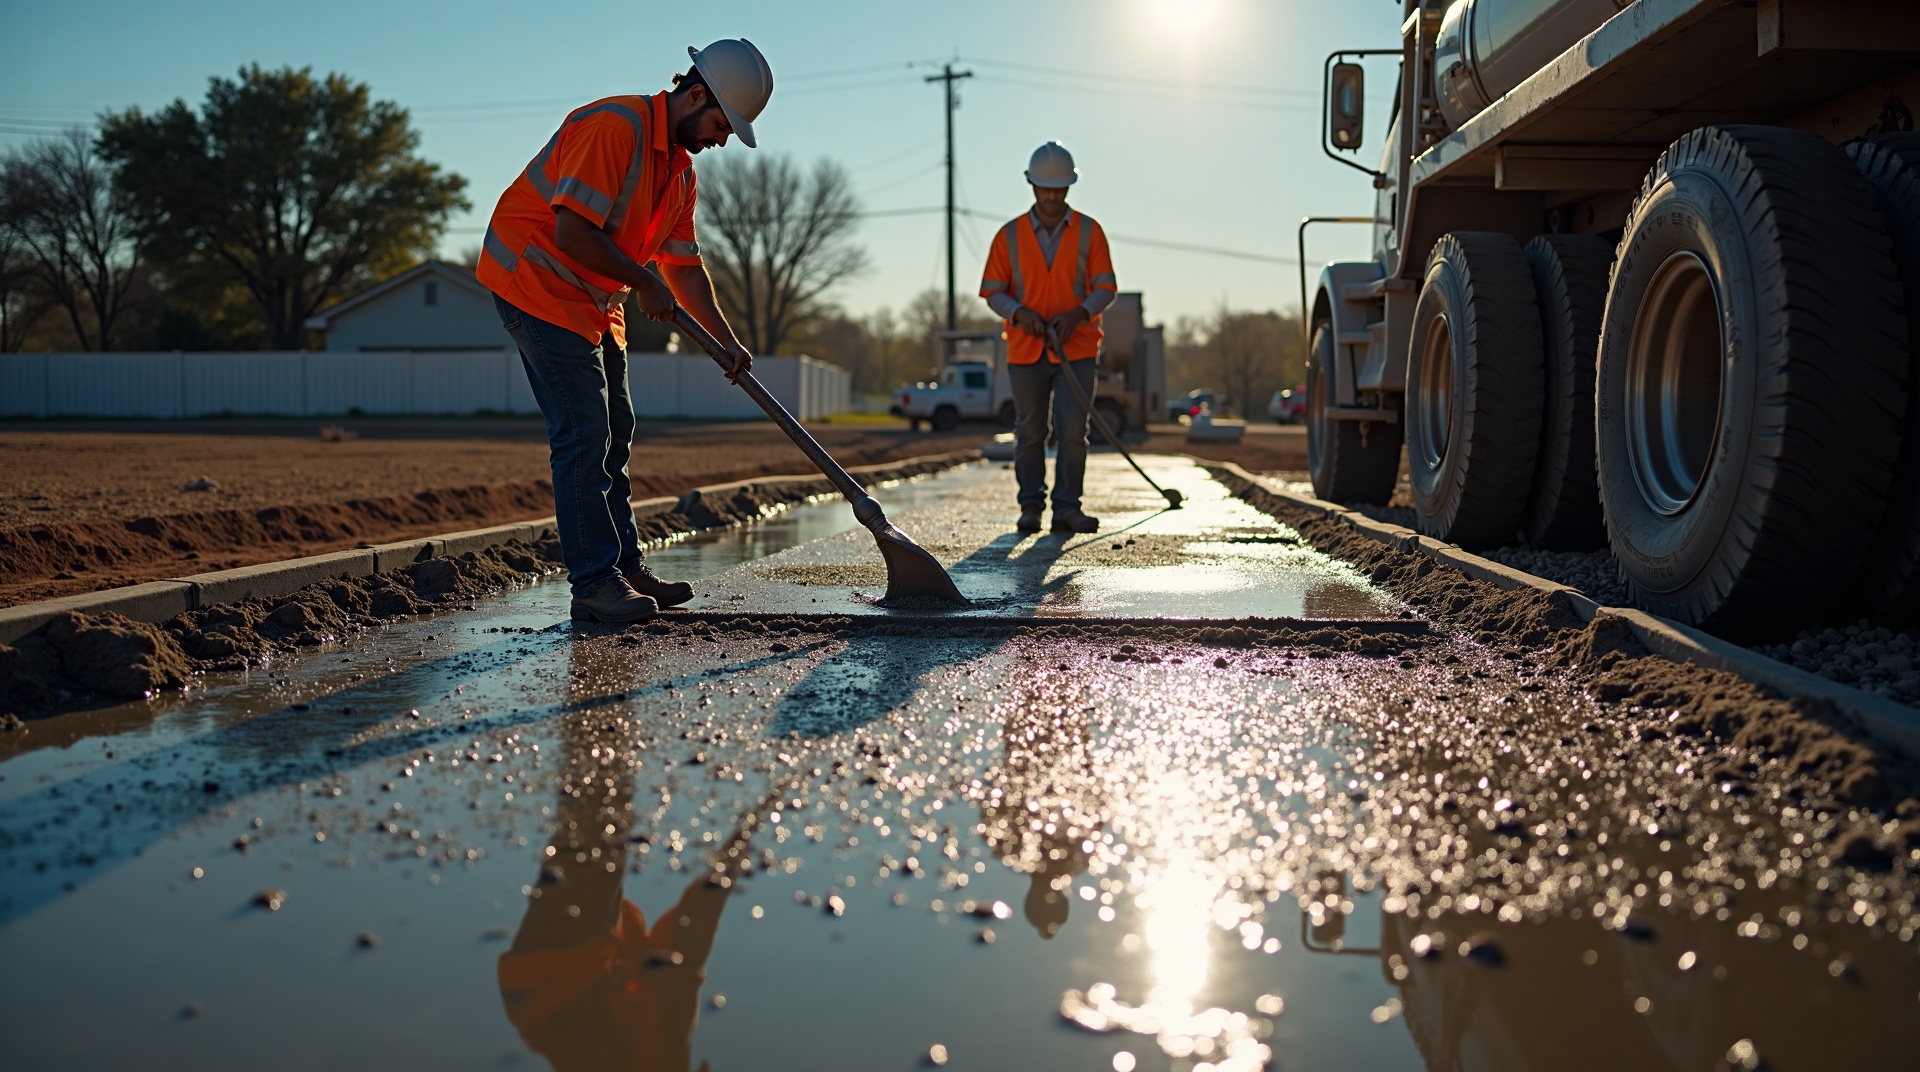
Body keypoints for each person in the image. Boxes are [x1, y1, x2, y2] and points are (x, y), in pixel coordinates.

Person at [478, 40, 773, 622]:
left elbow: (683, 269)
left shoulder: (681, 174)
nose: (720, 140)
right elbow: (572, 234)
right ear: (694, 95)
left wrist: (725, 340)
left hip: (593, 298)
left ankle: (626, 568)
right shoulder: (615, 128)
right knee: (583, 434)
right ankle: (593, 585)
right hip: (533, 281)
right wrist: (643, 281)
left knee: (617, 434)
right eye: (720, 123)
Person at [978, 141, 1118, 535]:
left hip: (1077, 348)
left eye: (1060, 189)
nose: (1053, 196)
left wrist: (1079, 313)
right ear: (1032, 185)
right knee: (1030, 430)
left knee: (1073, 429)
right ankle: (1030, 508)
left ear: (1070, 187)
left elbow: (1105, 287)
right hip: (1026, 349)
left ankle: (1067, 509)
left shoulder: (1091, 232)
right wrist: (1020, 313)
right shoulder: (1008, 236)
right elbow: (993, 289)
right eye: (1046, 188)